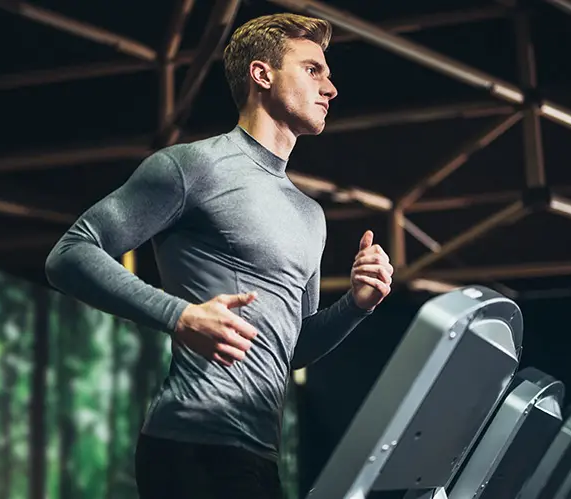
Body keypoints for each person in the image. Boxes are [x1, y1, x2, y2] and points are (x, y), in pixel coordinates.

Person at [45, 12, 394, 499]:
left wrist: (357, 306)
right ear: (262, 74)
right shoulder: (194, 165)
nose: (331, 88)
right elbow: (69, 254)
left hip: (260, 454)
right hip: (191, 444)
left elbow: (290, 349)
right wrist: (180, 315)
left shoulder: (310, 214)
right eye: (314, 69)